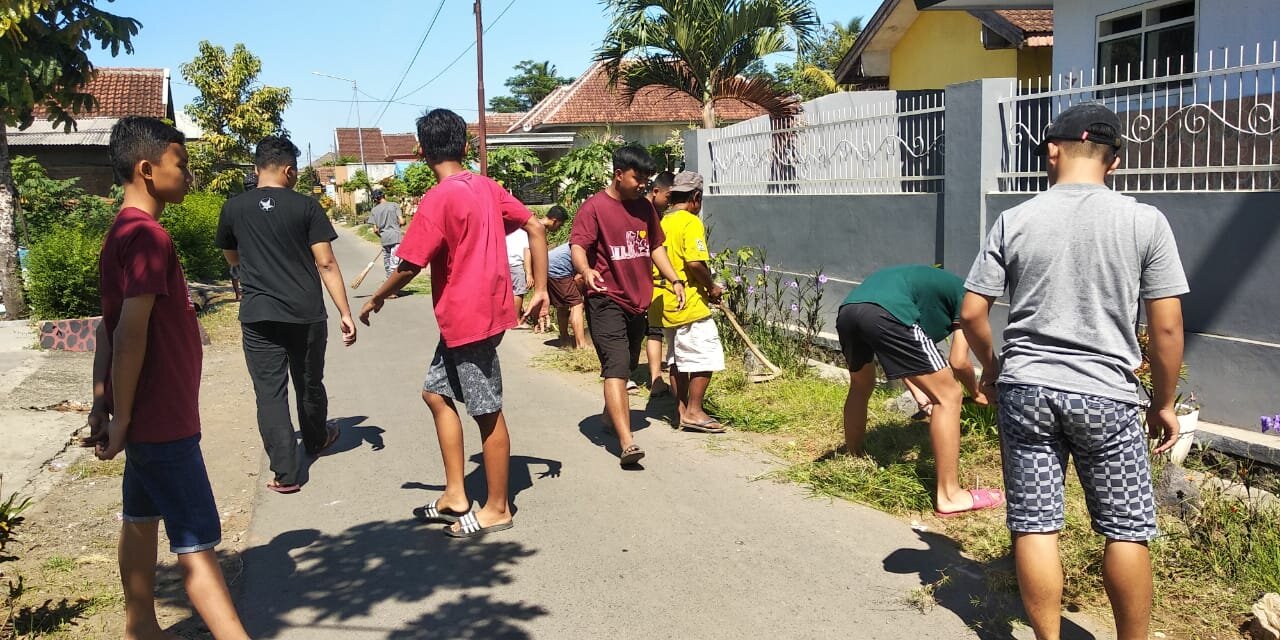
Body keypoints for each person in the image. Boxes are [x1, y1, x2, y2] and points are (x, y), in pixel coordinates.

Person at [960, 103, 1188, 640]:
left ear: (1051, 151)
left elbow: (972, 312)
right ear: (1113, 163)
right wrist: (1164, 402)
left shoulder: (1014, 219)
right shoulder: (1143, 221)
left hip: (1026, 390)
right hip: (1106, 395)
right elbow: (1169, 329)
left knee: (1036, 524)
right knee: (1127, 530)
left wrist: (992, 370)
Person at [88, 116, 250, 639]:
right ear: (147, 168)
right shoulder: (149, 238)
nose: (187, 173)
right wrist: (125, 415)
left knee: (139, 518)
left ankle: (140, 626)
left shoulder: (121, 232)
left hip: (144, 417)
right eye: (180, 163)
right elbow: (130, 333)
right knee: (196, 542)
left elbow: (106, 329)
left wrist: (103, 405)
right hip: (161, 418)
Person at [360, 108, 549, 538]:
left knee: (486, 411)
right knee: (435, 393)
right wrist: (539, 287)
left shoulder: (438, 197)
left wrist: (376, 298)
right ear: (465, 147)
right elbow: (535, 227)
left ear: (421, 151)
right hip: (476, 315)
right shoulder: (486, 186)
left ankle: (498, 508)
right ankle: (454, 494)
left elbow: (409, 264)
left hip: (471, 318)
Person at [216, 135, 357, 494]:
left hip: (258, 313)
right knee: (308, 381)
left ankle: (285, 472)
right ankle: (315, 439)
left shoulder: (233, 208)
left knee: (270, 392)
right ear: (290, 170)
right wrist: (344, 311)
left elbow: (232, 257)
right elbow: (325, 262)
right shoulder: (306, 207)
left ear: (257, 167)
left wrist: (246, 274)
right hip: (305, 312)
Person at [837, 264, 1000, 517]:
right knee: (950, 396)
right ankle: (949, 495)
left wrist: (919, 393)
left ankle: (855, 455)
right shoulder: (967, 299)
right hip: (889, 313)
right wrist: (977, 392)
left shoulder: (932, 290)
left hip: (850, 310)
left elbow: (902, 352)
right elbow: (958, 360)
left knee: (861, 386)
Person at [570, 146, 684, 466]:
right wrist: (585, 269)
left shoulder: (645, 210)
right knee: (617, 365)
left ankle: (609, 416)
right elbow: (578, 244)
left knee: (628, 363)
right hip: (606, 298)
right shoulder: (594, 208)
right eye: (638, 178)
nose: (643, 185)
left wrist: (674, 280)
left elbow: (656, 248)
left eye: (648, 180)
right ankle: (626, 442)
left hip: (637, 301)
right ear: (619, 174)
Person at [652, 171, 727, 433]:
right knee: (704, 356)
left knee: (678, 358)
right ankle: (694, 411)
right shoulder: (690, 222)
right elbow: (694, 262)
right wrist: (712, 286)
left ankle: (681, 410)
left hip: (664, 301)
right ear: (696, 197)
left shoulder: (661, 221)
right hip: (689, 303)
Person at [644, 170, 676, 395]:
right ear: (656, 191)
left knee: (654, 331)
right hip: (649, 280)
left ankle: (656, 377)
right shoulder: (646, 213)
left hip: (657, 279)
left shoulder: (657, 214)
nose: (669, 203)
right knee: (652, 331)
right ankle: (655, 378)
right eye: (668, 198)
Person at [366, 189, 405, 280]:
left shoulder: (374, 210)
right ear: (384, 196)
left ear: (375, 199)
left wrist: (381, 236)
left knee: (387, 264)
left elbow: (375, 230)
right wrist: (402, 223)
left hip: (384, 239)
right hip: (396, 238)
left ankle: (388, 286)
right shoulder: (394, 205)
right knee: (394, 265)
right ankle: (392, 289)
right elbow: (401, 221)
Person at [506, 226, 532, 323]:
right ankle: (515, 320)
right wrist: (529, 273)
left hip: (501, 263)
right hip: (516, 264)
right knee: (518, 291)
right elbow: (527, 251)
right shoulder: (524, 232)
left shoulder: (505, 228)